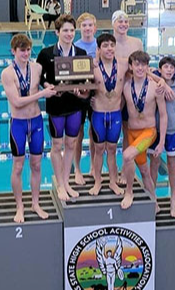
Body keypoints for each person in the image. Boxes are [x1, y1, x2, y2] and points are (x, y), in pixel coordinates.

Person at [1, 34, 57, 223]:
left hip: (36, 122)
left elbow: (41, 82)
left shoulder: (37, 68)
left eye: (27, 50)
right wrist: (42, 93)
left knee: (36, 164)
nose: (25, 53)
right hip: (18, 123)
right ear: (13, 51)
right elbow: (16, 102)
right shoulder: (7, 74)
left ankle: (35, 203)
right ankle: (19, 206)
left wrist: (46, 85)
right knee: (18, 166)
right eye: (21, 50)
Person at [36, 14, 87, 201]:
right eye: (65, 30)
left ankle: (66, 182)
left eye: (72, 30)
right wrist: (46, 85)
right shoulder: (46, 54)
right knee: (57, 145)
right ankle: (59, 183)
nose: (69, 34)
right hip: (56, 106)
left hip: (74, 105)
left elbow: (85, 79)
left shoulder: (80, 53)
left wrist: (80, 86)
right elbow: (39, 78)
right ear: (57, 32)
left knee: (71, 143)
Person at [122, 51, 167, 211]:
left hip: (148, 132)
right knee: (144, 171)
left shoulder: (156, 87)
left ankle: (129, 192)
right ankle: (155, 203)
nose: (140, 68)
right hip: (132, 132)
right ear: (131, 66)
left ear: (148, 67)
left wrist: (161, 143)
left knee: (127, 156)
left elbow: (163, 115)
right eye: (137, 64)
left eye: (143, 65)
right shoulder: (126, 86)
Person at [86, 33, 129, 196]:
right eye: (105, 45)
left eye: (112, 45)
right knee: (98, 150)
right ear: (98, 49)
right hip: (98, 114)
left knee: (112, 149)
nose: (109, 48)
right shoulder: (92, 66)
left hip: (115, 115)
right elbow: (77, 81)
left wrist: (159, 80)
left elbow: (143, 71)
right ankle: (98, 181)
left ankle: (112, 181)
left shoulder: (124, 65)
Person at [148, 56, 175, 217]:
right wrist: (158, 79)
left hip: (172, 131)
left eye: (171, 67)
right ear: (160, 69)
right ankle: (153, 199)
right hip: (154, 131)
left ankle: (173, 201)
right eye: (165, 67)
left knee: (172, 167)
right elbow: (146, 72)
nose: (169, 70)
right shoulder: (153, 83)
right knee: (154, 165)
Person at [112, 10, 144, 185]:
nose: (123, 24)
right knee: (108, 137)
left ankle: (125, 170)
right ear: (113, 24)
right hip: (114, 93)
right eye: (119, 21)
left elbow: (143, 65)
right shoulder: (108, 43)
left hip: (133, 92)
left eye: (125, 21)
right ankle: (104, 170)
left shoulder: (137, 42)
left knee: (127, 133)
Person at [74, 12, 97, 185]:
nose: (87, 29)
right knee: (78, 133)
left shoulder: (101, 45)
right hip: (79, 95)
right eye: (84, 25)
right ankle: (77, 169)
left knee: (94, 132)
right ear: (79, 28)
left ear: (95, 27)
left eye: (90, 25)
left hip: (96, 93)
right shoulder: (75, 47)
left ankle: (93, 167)